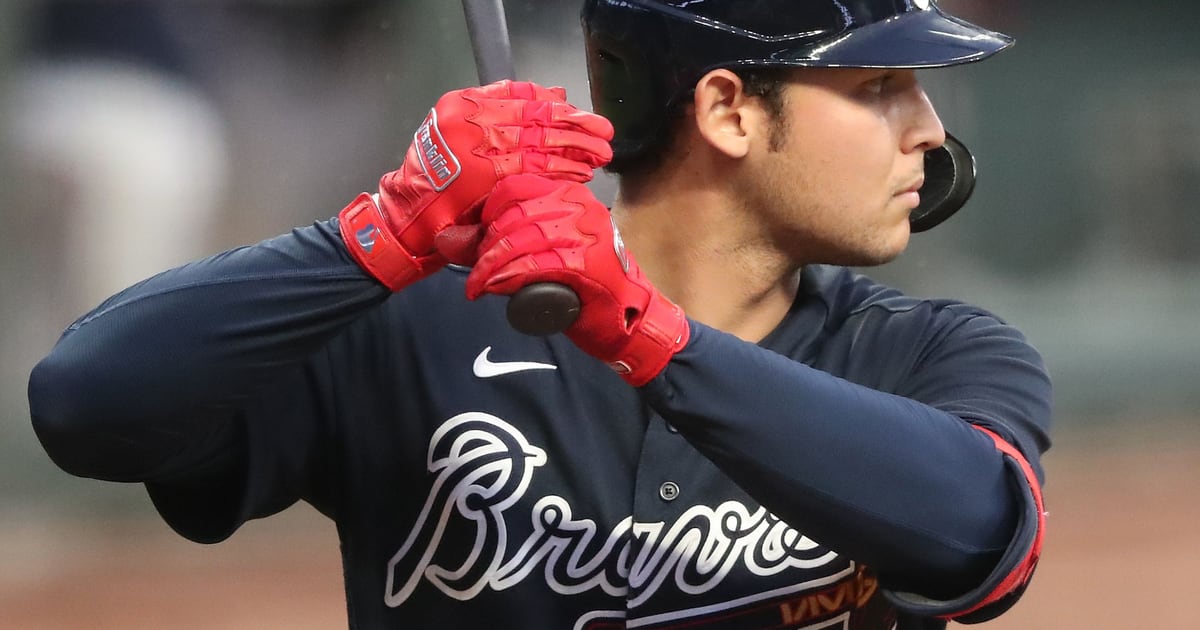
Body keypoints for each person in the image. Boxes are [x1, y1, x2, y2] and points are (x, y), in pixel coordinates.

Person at [27, 1, 1051, 628]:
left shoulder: (931, 352)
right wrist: (379, 234)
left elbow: (979, 539)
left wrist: (645, 336)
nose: (927, 130)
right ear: (728, 110)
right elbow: (86, 406)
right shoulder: (417, 331)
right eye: (880, 86)